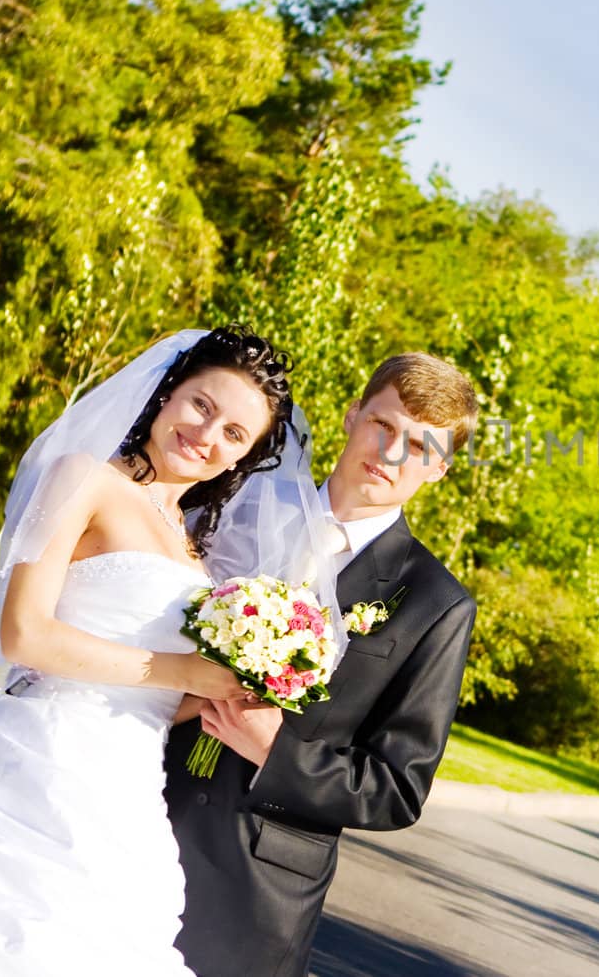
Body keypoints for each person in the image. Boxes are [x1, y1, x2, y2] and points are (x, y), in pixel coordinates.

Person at [0, 326, 321, 976]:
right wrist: (181, 669)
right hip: (34, 761)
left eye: (233, 434)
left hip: (126, 794)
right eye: (201, 404)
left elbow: (156, 693)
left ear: (242, 457)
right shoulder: (86, 479)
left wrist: (224, 686)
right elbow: (25, 632)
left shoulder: (195, 554)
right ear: (169, 390)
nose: (208, 434)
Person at [165, 351, 481, 977]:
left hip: (257, 886)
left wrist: (274, 751)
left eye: (418, 446)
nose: (391, 453)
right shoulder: (229, 510)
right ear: (352, 414)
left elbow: (397, 788)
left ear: (439, 469)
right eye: (383, 426)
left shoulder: (436, 604)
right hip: (137, 800)